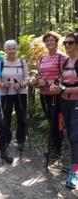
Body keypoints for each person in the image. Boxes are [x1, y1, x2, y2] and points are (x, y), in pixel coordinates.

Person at [50, 32, 78, 189]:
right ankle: (75, 164)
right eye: (65, 43)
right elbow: (63, 81)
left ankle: (74, 171)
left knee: (75, 136)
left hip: (76, 102)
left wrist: (66, 89)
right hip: (65, 102)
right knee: (71, 133)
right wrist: (57, 87)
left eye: (71, 42)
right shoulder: (67, 61)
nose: (67, 45)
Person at [35, 31, 66, 158]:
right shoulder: (43, 58)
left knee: (56, 121)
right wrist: (37, 81)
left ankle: (57, 149)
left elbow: (64, 77)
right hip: (44, 94)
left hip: (56, 95)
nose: (49, 42)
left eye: (51, 40)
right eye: (47, 41)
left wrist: (47, 82)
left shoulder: (61, 57)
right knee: (50, 120)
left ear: (56, 41)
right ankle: (53, 146)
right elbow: (39, 75)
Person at [0, 40, 29, 151]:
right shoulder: (1, 63)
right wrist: (3, 84)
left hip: (20, 93)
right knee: (6, 118)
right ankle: (7, 140)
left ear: (16, 49)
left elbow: (27, 78)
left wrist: (21, 84)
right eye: (9, 48)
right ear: (5, 50)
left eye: (13, 48)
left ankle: (20, 140)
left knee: (21, 118)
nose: (11, 51)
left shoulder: (22, 62)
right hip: (5, 94)